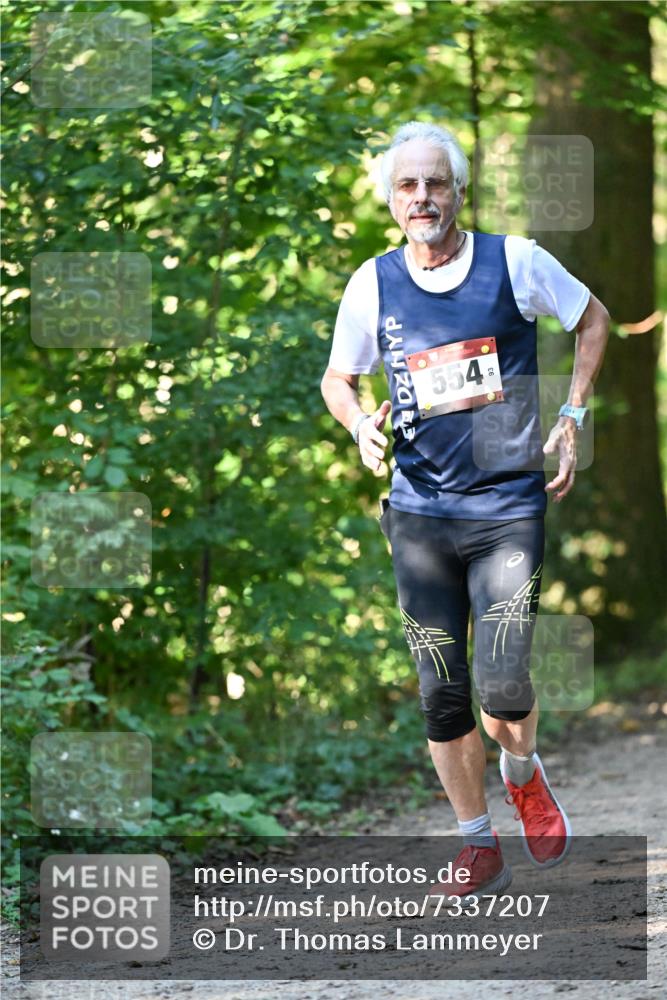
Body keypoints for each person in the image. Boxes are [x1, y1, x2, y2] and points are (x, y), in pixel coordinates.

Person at [320, 121, 610, 899]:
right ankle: (476, 844)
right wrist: (357, 427)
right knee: (440, 687)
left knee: (504, 682)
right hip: (417, 514)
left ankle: (522, 770)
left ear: (458, 190)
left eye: (436, 183)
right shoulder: (371, 283)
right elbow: (338, 378)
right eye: (408, 186)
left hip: (507, 504)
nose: (423, 198)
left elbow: (592, 317)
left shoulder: (513, 261)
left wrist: (572, 415)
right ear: (391, 198)